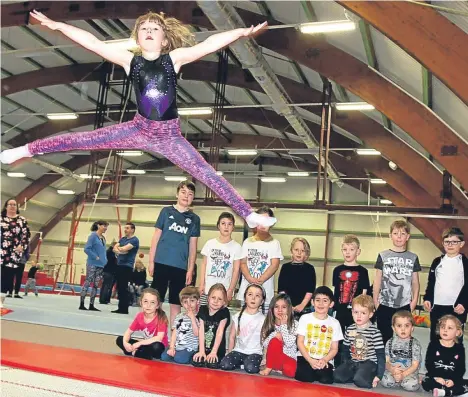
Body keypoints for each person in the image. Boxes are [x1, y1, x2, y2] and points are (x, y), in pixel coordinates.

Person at [0, 10, 276, 231]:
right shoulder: (131, 61)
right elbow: (92, 42)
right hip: (138, 127)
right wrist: (59, 27)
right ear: (137, 37)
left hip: (169, 135)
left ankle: (248, 215)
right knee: (82, 138)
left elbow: (208, 44)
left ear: (165, 39)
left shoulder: (174, 59)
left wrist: (240, 32)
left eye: (154, 28)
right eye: (143, 28)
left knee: (205, 172)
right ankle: (26, 150)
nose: (148, 31)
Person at [149, 181, 200, 325]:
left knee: (175, 303)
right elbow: (156, 237)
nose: (186, 196)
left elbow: (193, 246)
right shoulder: (166, 212)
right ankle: (153, 334)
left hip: (180, 267)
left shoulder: (195, 219)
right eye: (183, 192)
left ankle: (174, 338)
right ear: (177, 194)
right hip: (161, 263)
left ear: (193, 198)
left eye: (190, 194)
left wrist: (190, 270)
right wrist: (151, 261)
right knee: (155, 300)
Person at [373, 220, 421, 344]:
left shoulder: (413, 257)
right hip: (384, 303)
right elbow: (378, 279)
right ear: (390, 236)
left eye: (403, 234)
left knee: (404, 338)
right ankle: (384, 363)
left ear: (408, 237)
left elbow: (415, 282)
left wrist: (414, 301)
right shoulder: (383, 256)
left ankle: (403, 362)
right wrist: (375, 300)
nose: (399, 237)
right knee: (383, 338)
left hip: (404, 304)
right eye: (395, 233)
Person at [423, 227, 468, 342]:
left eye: (454, 242)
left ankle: (455, 360)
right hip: (437, 306)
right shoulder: (437, 262)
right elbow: (431, 282)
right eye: (447, 242)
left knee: (455, 340)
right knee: (436, 338)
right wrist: (428, 298)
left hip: (456, 308)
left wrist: (463, 303)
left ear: (461, 244)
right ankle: (434, 360)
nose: (450, 245)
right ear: (443, 243)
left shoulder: (465, 263)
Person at [237, 206, 283, 312]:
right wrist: (250, 279)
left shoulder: (274, 243)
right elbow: (243, 263)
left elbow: (274, 265)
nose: (263, 224)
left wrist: (260, 280)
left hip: (265, 293)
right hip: (246, 291)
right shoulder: (247, 242)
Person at [334, 295, 385, 389]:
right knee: (336, 376)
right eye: (356, 312)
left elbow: (381, 355)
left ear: (370, 314)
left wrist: (379, 375)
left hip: (369, 363)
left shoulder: (375, 332)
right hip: (353, 362)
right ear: (352, 312)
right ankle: (356, 374)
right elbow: (345, 350)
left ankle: (363, 375)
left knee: (361, 381)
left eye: (363, 313)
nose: (359, 316)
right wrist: (345, 363)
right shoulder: (350, 329)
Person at [295, 286, 343, 384]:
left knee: (326, 380)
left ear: (331, 304)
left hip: (324, 359)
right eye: (318, 300)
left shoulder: (335, 323)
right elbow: (299, 342)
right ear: (312, 302)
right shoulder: (304, 318)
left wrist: (325, 360)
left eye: (325, 301)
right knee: (305, 377)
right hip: (305, 357)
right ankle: (312, 370)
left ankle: (320, 370)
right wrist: (310, 360)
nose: (321, 304)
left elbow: (334, 348)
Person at [220, 284, 266, 374]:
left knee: (250, 368)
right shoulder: (237, 316)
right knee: (224, 365)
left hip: (255, 352)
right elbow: (232, 337)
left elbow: (265, 341)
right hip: (239, 351)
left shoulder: (264, 319)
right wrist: (230, 352)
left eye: (257, 296)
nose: (253, 298)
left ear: (262, 301)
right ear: (245, 298)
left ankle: (245, 363)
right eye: (250, 294)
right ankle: (241, 363)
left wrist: (265, 358)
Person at [199, 212, 242, 305]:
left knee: (221, 316)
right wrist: (201, 284)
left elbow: (236, 270)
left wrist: (231, 289)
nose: (226, 227)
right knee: (203, 315)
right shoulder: (209, 244)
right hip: (207, 289)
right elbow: (204, 265)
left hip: (224, 291)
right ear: (218, 226)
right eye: (223, 223)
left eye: (229, 224)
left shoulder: (237, 247)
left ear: (233, 227)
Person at [116, 288, 168, 360]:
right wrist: (125, 343)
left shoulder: (161, 318)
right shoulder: (140, 316)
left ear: (157, 305)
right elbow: (128, 332)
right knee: (120, 339)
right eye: (145, 301)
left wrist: (139, 343)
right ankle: (140, 353)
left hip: (157, 346)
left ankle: (136, 353)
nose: (148, 305)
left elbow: (158, 338)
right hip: (145, 345)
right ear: (141, 303)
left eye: (152, 302)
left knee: (156, 347)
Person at [422, 315, 468, 396]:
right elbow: (429, 364)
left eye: (449, 328)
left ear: (457, 332)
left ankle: (446, 392)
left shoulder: (460, 348)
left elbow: (461, 368)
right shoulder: (433, 344)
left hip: (451, 379)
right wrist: (436, 378)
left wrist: (453, 380)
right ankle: (447, 390)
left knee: (465, 382)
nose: (445, 330)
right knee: (425, 381)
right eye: (443, 327)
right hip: (435, 378)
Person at [332, 234, 370, 334]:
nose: (347, 252)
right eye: (345, 249)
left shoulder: (363, 271)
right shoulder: (337, 270)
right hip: (340, 311)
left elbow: (364, 293)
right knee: (339, 336)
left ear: (358, 251)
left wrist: (361, 309)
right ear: (341, 251)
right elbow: (335, 290)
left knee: (354, 336)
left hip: (356, 311)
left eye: (351, 249)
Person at [381, 310, 422, 392]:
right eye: (399, 326)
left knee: (411, 385)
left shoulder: (415, 344)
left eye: (407, 326)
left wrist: (403, 375)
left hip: (409, 372)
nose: (403, 329)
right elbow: (386, 361)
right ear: (393, 328)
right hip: (393, 371)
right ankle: (397, 380)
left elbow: (415, 365)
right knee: (385, 381)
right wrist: (392, 370)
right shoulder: (389, 342)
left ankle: (414, 379)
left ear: (412, 328)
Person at [192, 283, 231, 369]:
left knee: (212, 365)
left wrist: (214, 352)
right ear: (208, 298)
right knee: (197, 362)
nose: (216, 301)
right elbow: (201, 330)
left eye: (220, 299)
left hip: (217, 350)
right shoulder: (203, 309)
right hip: (203, 347)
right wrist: (201, 351)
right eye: (213, 297)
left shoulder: (224, 312)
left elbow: (220, 332)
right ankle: (203, 353)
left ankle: (214, 354)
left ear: (224, 302)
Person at [260, 293, 298, 378]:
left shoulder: (295, 324)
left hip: (289, 358)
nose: (280, 310)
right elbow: (265, 344)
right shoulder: (269, 324)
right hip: (273, 359)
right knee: (274, 340)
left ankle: (278, 368)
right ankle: (269, 367)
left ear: (289, 309)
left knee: (291, 372)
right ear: (272, 309)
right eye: (276, 307)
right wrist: (275, 334)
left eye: (284, 307)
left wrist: (283, 325)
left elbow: (289, 344)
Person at [1, 198, 30, 307]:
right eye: (10, 204)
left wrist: (22, 246)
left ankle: (1, 302)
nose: (12, 206)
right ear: (6, 206)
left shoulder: (21, 220)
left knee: (7, 278)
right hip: (1, 251)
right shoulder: (1, 218)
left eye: (14, 205)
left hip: (13, 254)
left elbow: (26, 235)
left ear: (17, 207)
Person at [277, 237, 316, 319]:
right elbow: (281, 289)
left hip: (305, 308)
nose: (299, 253)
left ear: (306, 253)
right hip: (287, 308)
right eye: (296, 250)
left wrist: (302, 305)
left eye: (302, 251)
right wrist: (287, 305)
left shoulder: (310, 269)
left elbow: (310, 290)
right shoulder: (285, 267)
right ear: (291, 250)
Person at [161, 286, 200, 364]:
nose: (189, 304)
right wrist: (172, 347)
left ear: (198, 301)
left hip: (189, 347)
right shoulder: (179, 316)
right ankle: (176, 353)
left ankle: (191, 356)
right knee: (164, 357)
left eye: (192, 301)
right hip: (178, 346)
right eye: (185, 302)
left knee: (180, 359)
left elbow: (197, 334)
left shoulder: (199, 317)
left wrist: (192, 318)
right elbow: (175, 333)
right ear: (182, 303)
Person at [80, 220, 108, 311]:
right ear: (98, 226)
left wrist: (104, 261)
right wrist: (95, 257)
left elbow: (103, 251)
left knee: (96, 284)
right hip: (92, 263)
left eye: (106, 226)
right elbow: (86, 249)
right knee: (88, 282)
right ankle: (82, 303)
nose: (106, 228)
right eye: (104, 226)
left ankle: (91, 304)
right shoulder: (92, 236)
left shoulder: (103, 238)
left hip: (101, 265)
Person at [113, 222, 140, 314]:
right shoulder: (123, 238)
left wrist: (120, 250)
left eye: (127, 228)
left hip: (127, 266)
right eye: (125, 228)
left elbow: (124, 248)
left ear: (132, 229)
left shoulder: (135, 240)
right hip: (119, 265)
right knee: (119, 287)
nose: (125, 230)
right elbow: (115, 248)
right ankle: (120, 307)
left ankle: (124, 308)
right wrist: (120, 250)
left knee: (124, 287)